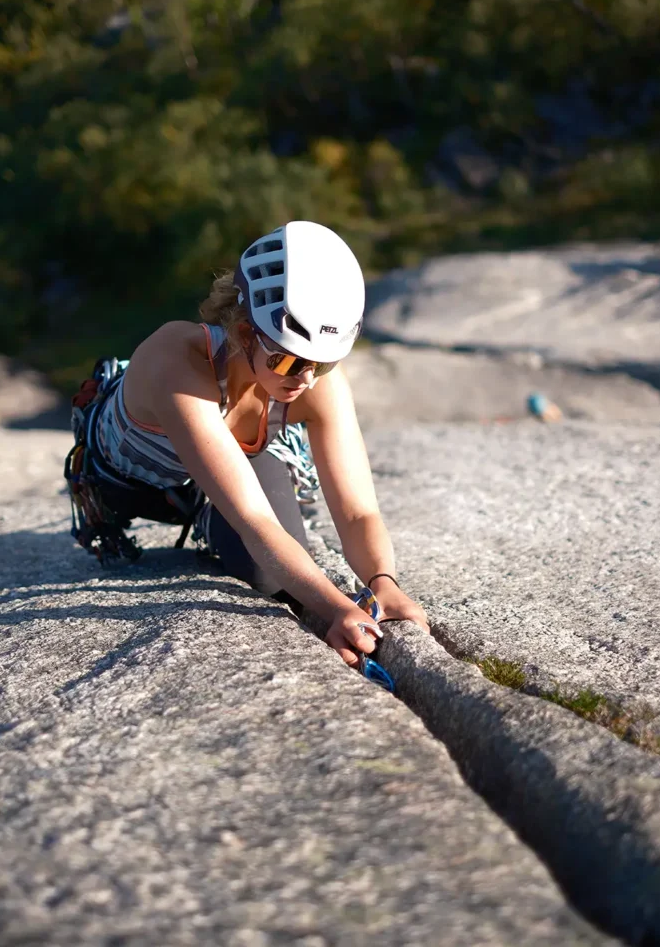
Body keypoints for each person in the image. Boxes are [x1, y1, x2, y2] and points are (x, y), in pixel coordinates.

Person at [89, 220, 429, 667]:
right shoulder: (176, 360)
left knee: (269, 576)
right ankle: (209, 511)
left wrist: (383, 583)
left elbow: (358, 510)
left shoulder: (311, 380)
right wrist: (337, 608)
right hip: (138, 483)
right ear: (245, 331)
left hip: (237, 459)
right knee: (269, 550)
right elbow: (254, 521)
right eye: (287, 359)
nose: (305, 379)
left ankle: (211, 518)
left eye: (323, 364)